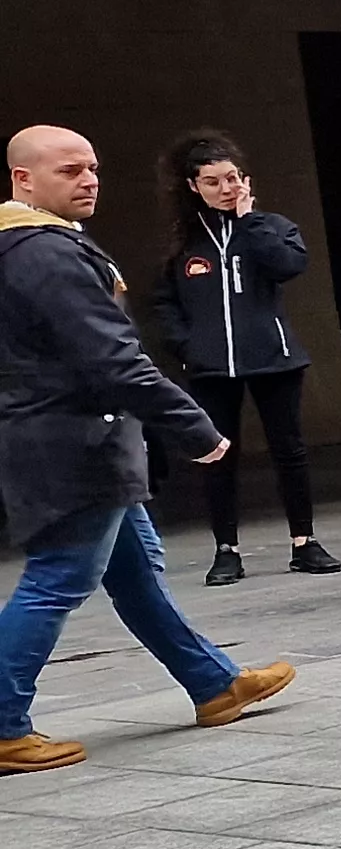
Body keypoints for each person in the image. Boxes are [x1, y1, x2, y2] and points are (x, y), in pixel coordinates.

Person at [0, 125, 297, 772]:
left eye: (93, 168)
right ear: (23, 179)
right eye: (69, 170)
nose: (88, 181)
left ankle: (213, 683)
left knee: (136, 571)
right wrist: (194, 427)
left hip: (72, 437)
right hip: (75, 443)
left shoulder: (35, 247)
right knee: (59, 579)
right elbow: (111, 357)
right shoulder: (40, 253)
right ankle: (2, 723)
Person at [152, 132, 337, 583]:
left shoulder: (270, 226)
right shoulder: (185, 243)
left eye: (232, 178)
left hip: (275, 359)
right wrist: (188, 345)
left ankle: (304, 541)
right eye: (213, 181)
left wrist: (248, 221)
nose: (225, 188)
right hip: (213, 368)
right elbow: (163, 301)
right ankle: (226, 548)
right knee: (217, 455)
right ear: (194, 186)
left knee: (289, 450)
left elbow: (288, 265)